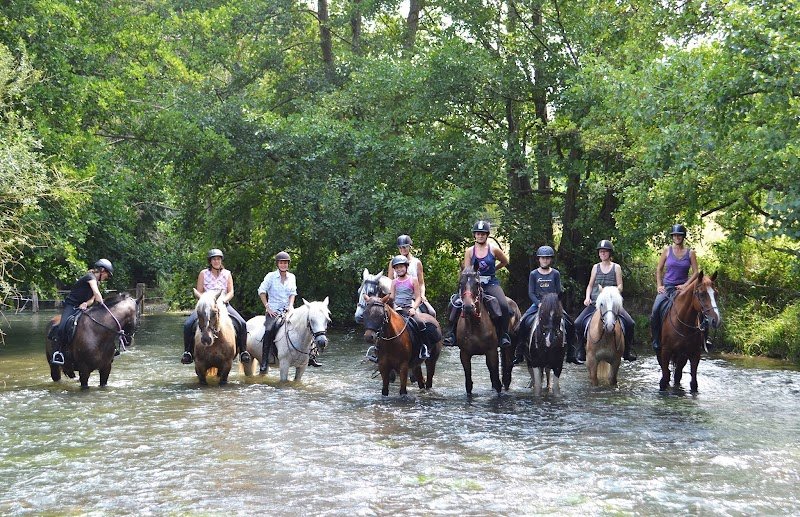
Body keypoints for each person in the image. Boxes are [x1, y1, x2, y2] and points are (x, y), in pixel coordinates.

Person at [443, 220, 512, 349]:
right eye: (478, 233)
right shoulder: (469, 251)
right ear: (474, 235)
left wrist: (494, 270)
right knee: (455, 303)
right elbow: (467, 270)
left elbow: (505, 261)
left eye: (483, 233)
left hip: (490, 283)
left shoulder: (494, 250)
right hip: (473, 284)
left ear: (487, 235)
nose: (480, 236)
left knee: (503, 304)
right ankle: (451, 333)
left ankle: (503, 335)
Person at [180, 249, 251, 365]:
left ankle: (243, 351)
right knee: (188, 324)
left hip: (223, 304)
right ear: (210, 261)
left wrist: (223, 300)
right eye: (214, 259)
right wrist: (206, 301)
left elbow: (231, 292)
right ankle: (187, 352)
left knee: (242, 323)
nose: (216, 261)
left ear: (221, 260)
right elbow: (199, 291)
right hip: (206, 305)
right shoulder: (203, 273)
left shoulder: (227, 273)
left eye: (218, 259)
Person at [512, 246, 580, 365]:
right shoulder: (533, 274)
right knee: (522, 322)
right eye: (543, 258)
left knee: (570, 323)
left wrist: (555, 302)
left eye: (547, 258)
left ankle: (571, 353)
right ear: (539, 259)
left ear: (551, 260)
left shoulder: (555, 273)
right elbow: (531, 293)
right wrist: (539, 304)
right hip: (537, 304)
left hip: (553, 305)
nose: (545, 260)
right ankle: (519, 352)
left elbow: (558, 291)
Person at [573, 240, 637, 362]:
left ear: (609, 253)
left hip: (612, 303)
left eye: (605, 252)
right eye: (601, 252)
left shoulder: (616, 267)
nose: (603, 254)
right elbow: (590, 286)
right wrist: (587, 297)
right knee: (578, 323)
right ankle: (581, 350)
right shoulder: (595, 267)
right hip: (597, 303)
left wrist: (609, 291)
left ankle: (627, 351)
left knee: (630, 323)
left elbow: (620, 286)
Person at [258, 251, 321, 370]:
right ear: (277, 264)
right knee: (269, 330)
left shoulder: (292, 277)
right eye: (281, 263)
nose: (283, 265)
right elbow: (261, 291)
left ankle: (312, 356)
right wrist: (267, 307)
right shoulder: (270, 276)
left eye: (285, 263)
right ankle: (265, 360)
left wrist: (291, 306)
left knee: (306, 326)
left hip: (288, 310)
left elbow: (292, 293)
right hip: (274, 311)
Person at [50, 259, 114, 365]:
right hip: (71, 305)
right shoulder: (90, 277)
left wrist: (86, 304)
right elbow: (97, 294)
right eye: (107, 274)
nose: (107, 277)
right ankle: (58, 353)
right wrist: (103, 303)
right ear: (102, 270)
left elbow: (92, 299)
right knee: (62, 327)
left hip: (82, 307)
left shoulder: (96, 282)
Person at [650, 224, 699, 351]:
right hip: (667, 288)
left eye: (679, 235)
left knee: (701, 307)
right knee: (655, 310)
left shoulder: (690, 253)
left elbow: (696, 272)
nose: (677, 237)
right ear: (672, 237)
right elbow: (659, 269)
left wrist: (686, 285)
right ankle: (656, 339)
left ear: (683, 237)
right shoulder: (667, 251)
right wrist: (659, 285)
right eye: (675, 235)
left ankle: (704, 338)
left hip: (683, 289)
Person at [383, 255, 432, 359]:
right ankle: (380, 351)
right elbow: (392, 297)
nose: (399, 269)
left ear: (406, 267)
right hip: (397, 309)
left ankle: (424, 347)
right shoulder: (394, 282)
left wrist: (414, 308)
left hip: (408, 307)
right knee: (382, 324)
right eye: (396, 268)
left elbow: (418, 297)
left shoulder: (413, 280)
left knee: (420, 323)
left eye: (401, 267)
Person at [387, 234, 436, 318]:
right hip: (397, 299)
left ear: (409, 246)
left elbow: (421, 283)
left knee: (432, 312)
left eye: (405, 247)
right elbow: (389, 282)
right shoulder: (393, 262)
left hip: (412, 298)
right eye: (400, 247)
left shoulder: (416, 262)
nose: (402, 249)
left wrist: (422, 295)